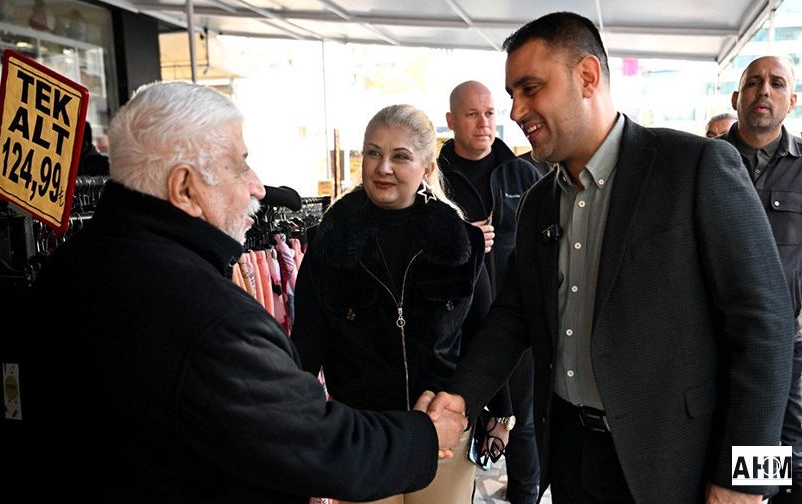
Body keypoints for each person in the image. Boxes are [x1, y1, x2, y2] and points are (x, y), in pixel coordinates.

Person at [28, 82, 467, 503]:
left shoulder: (74, 262)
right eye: (240, 164)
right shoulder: (208, 318)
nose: (257, 185)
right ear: (185, 187)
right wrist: (427, 436)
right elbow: (316, 443)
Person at [426, 11, 794, 504]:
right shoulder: (538, 202)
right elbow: (514, 316)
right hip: (572, 458)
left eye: (530, 88)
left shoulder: (694, 167)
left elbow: (767, 326)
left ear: (588, 77)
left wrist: (746, 482)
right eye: (513, 94)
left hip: (676, 463)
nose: (515, 111)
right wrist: (460, 397)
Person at [292, 104, 511, 504]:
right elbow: (306, 344)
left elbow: (484, 334)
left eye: (400, 156)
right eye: (373, 153)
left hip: (444, 432)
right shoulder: (329, 243)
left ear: (427, 168)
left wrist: (498, 413)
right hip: (364, 435)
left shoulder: (461, 242)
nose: (383, 168)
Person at [437, 80, 541, 504]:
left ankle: (524, 495)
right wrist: (460, 239)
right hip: (452, 326)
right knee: (456, 419)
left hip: (515, 321)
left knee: (522, 422)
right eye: (471, 114)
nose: (484, 123)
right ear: (450, 121)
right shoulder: (433, 175)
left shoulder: (525, 173)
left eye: (490, 113)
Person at [720, 55, 801, 503]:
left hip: (786, 350)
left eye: (776, 83)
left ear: (792, 99)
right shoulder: (701, 162)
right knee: (712, 450)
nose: (763, 91)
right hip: (711, 343)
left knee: (776, 457)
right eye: (753, 82)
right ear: (737, 98)